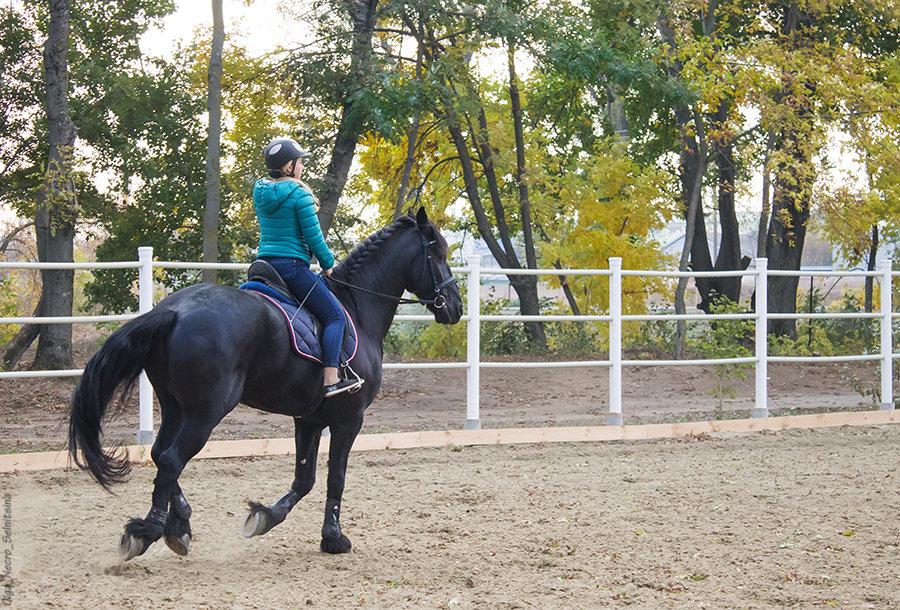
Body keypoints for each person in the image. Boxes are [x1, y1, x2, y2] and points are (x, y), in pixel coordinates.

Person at [253, 136, 363, 398]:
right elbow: (314, 238)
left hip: (264, 265)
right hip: (291, 267)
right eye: (300, 162)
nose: (302, 166)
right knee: (335, 316)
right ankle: (331, 379)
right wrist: (328, 266)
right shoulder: (299, 194)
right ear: (289, 166)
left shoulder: (260, 190)